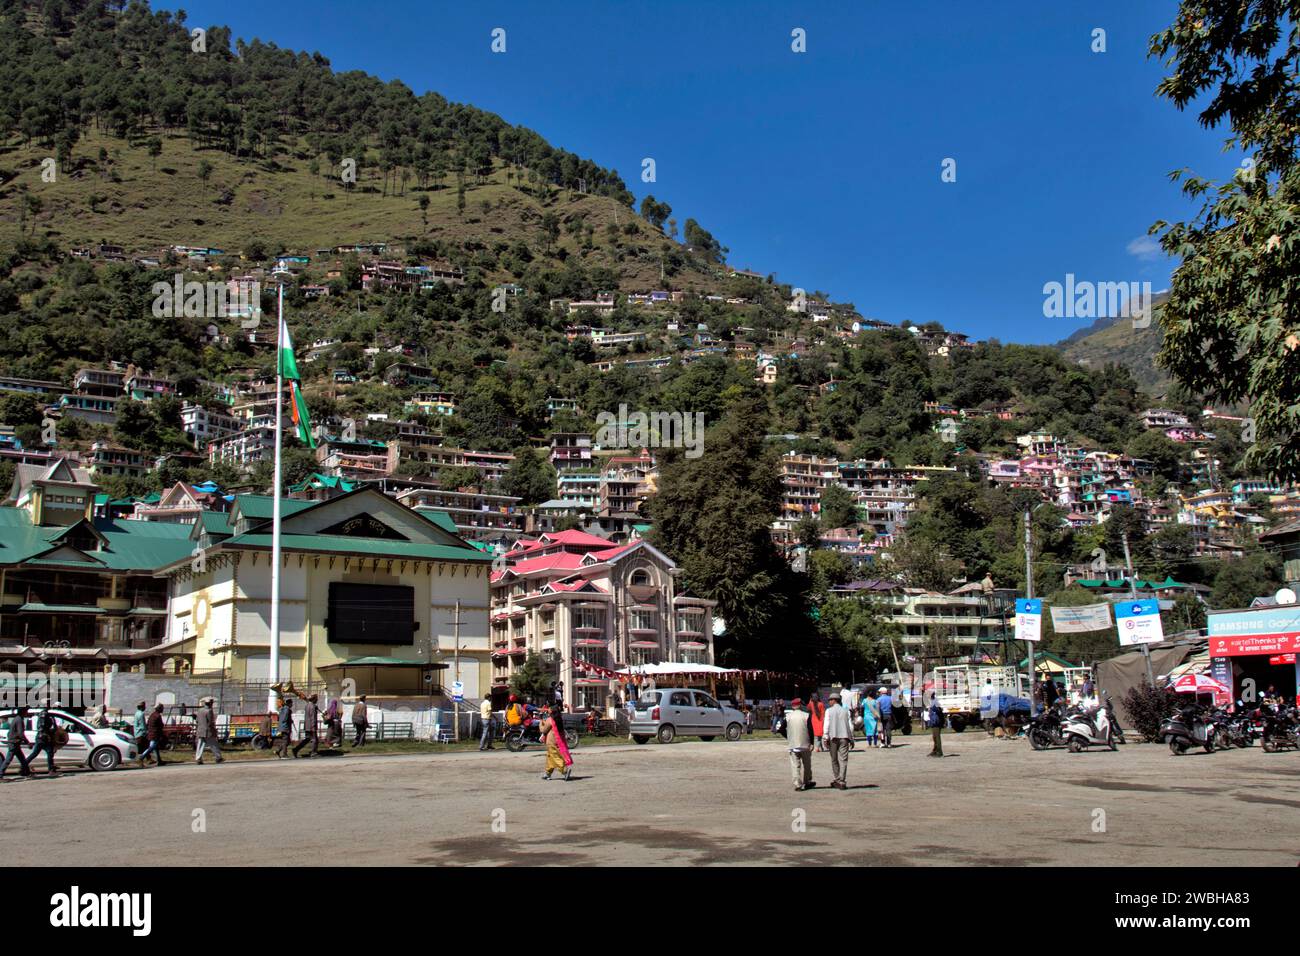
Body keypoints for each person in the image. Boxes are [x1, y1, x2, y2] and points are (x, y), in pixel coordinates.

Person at [823, 693, 854, 789]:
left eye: (830, 700)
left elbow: (826, 725)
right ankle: (842, 780)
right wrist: (851, 739)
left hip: (833, 738)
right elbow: (850, 726)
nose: (829, 702)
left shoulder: (829, 711)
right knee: (844, 760)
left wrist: (825, 737)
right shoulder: (846, 711)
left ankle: (837, 778)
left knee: (834, 759)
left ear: (833, 700)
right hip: (844, 737)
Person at [784, 698, 814, 791]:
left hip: (793, 744)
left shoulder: (788, 716)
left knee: (795, 765)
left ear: (793, 706)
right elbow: (810, 730)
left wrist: (788, 736)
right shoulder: (806, 715)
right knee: (807, 764)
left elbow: (781, 728)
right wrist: (812, 742)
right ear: (800, 705)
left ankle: (798, 784)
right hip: (805, 744)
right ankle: (807, 781)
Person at [540, 703, 573, 781]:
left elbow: (543, 730)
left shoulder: (550, 720)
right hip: (558, 741)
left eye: (549, 708)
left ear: (552, 711)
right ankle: (547, 773)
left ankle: (565, 771)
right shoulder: (559, 719)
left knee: (555, 758)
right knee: (550, 757)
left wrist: (540, 723)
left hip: (551, 742)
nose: (548, 709)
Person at [1, 706, 31, 777]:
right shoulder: (19, 720)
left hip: (15, 742)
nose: (27, 713)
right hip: (14, 743)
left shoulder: (17, 719)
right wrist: (27, 742)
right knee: (8, 759)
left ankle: (26, 772)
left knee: (22, 759)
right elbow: (20, 733)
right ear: (23, 712)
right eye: (26, 711)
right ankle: (0, 773)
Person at [194, 697, 223, 765]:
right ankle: (218, 757)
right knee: (213, 744)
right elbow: (210, 722)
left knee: (200, 745)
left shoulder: (199, 710)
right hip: (208, 731)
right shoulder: (209, 711)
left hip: (200, 730)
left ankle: (198, 758)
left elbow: (197, 720)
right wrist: (214, 731)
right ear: (210, 703)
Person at [293, 694, 321, 758]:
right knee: (314, 739)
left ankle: (296, 749)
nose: (317, 700)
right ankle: (313, 752)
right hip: (311, 726)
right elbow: (312, 717)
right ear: (314, 699)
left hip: (307, 725)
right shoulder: (312, 707)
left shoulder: (307, 705)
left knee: (307, 739)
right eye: (316, 699)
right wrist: (313, 727)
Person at [928, 693, 945, 757]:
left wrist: (932, 707)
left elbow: (938, 710)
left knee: (937, 738)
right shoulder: (932, 701)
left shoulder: (935, 702)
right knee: (934, 737)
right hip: (933, 722)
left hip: (936, 722)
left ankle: (940, 752)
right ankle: (935, 751)